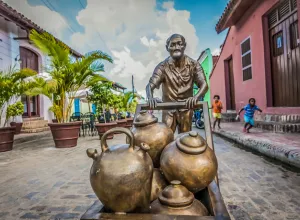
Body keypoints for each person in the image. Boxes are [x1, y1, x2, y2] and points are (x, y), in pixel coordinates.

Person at [146, 34, 208, 133]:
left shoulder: (194, 65)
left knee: (186, 141)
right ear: (167, 48)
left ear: (185, 45)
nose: (176, 48)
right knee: (165, 139)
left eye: (179, 44)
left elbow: (204, 85)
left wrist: (195, 97)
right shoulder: (162, 67)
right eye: (173, 45)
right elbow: (150, 85)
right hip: (168, 110)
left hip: (186, 109)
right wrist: (150, 97)